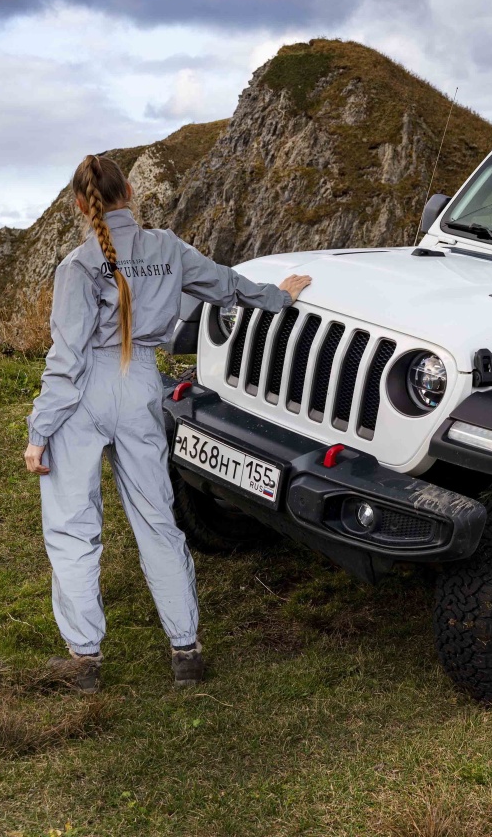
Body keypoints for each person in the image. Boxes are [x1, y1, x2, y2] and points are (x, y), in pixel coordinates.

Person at [24, 154, 310, 694]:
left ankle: (85, 659)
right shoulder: (168, 248)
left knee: (72, 525)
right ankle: (185, 649)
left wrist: (40, 434)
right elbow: (227, 285)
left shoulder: (77, 266)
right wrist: (280, 297)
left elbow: (66, 360)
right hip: (140, 387)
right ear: (129, 191)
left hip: (85, 392)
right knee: (156, 519)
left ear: (82, 206)